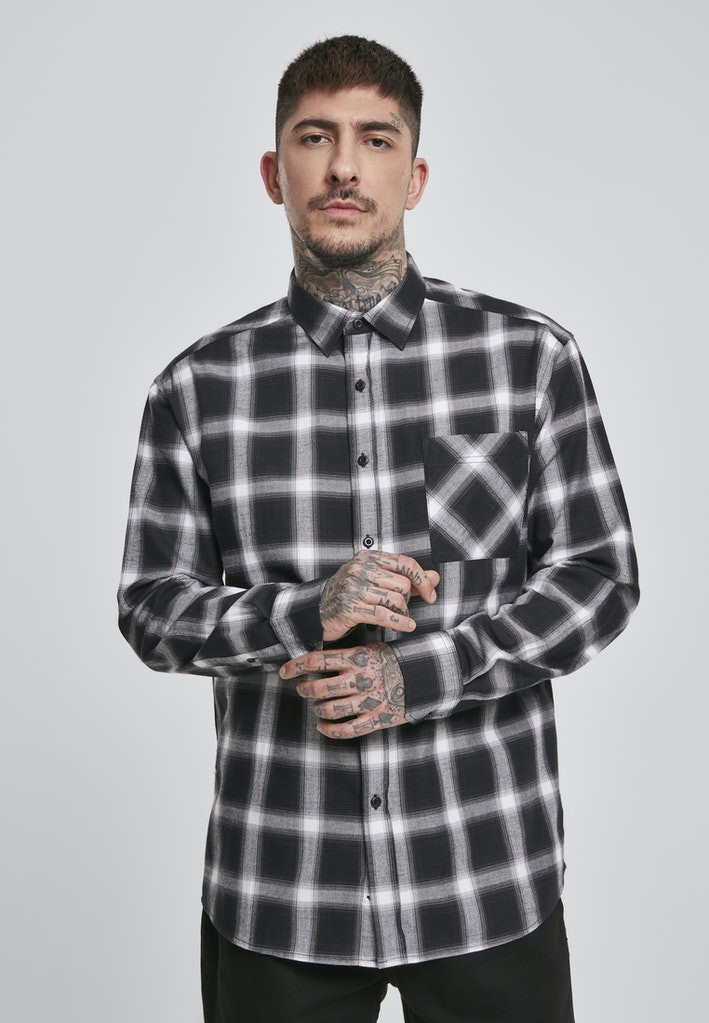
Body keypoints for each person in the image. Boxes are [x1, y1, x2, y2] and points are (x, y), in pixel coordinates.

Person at [118, 34, 639, 1023]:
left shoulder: (528, 358)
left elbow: (597, 577)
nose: (345, 167)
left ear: (415, 175)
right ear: (274, 173)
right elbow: (151, 609)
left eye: (376, 139)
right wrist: (299, 612)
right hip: (283, 887)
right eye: (315, 137)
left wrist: (426, 673)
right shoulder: (197, 388)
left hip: (485, 877)